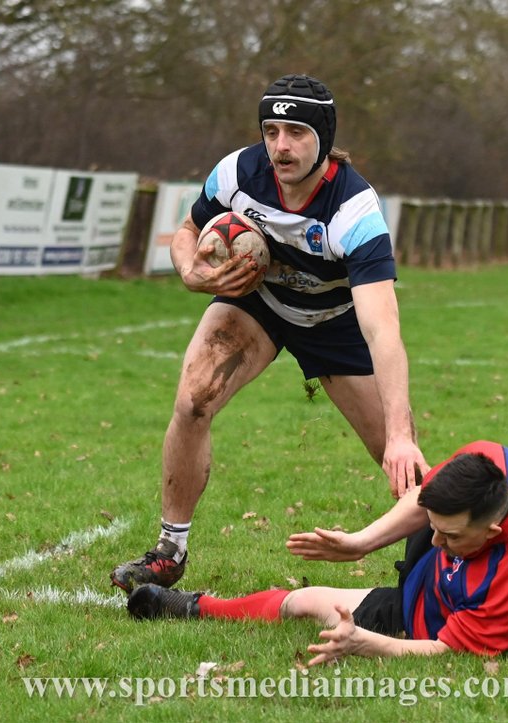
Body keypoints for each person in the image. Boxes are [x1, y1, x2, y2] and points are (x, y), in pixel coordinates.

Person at [111, 73, 428, 593]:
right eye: (271, 131)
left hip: (332, 321)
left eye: (297, 133)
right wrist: (190, 271)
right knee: (193, 401)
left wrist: (398, 433)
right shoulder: (237, 173)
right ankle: (169, 551)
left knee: (397, 454)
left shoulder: (354, 210)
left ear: (324, 138)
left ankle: (452, 554)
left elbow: (382, 328)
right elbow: (188, 231)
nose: (281, 146)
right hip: (256, 303)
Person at [126, 440, 508, 662]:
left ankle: (193, 607)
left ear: (492, 530)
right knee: (434, 531)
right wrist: (358, 544)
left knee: (305, 602)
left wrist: (366, 643)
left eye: (449, 537)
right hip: (491, 566)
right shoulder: (491, 459)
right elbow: (426, 498)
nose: (435, 543)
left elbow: (445, 650)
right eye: (436, 528)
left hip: (432, 614)